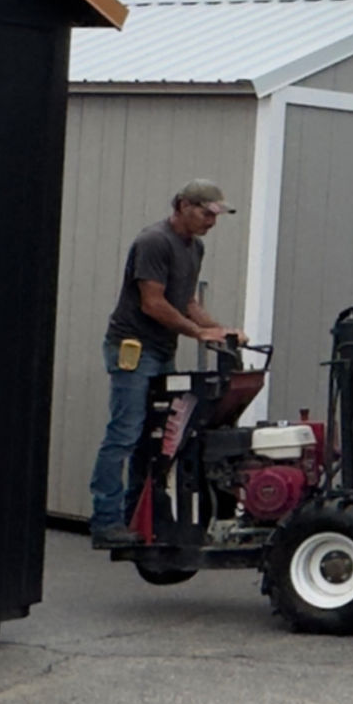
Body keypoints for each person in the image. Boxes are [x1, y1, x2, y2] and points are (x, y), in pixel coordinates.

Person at [89, 180, 243, 545]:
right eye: (206, 214)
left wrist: (219, 330)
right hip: (133, 348)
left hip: (161, 350)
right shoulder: (154, 241)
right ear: (183, 206)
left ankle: (135, 519)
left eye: (216, 216)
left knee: (155, 437)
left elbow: (186, 302)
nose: (211, 222)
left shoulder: (195, 247)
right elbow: (153, 303)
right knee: (125, 433)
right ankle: (106, 521)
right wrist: (198, 333)